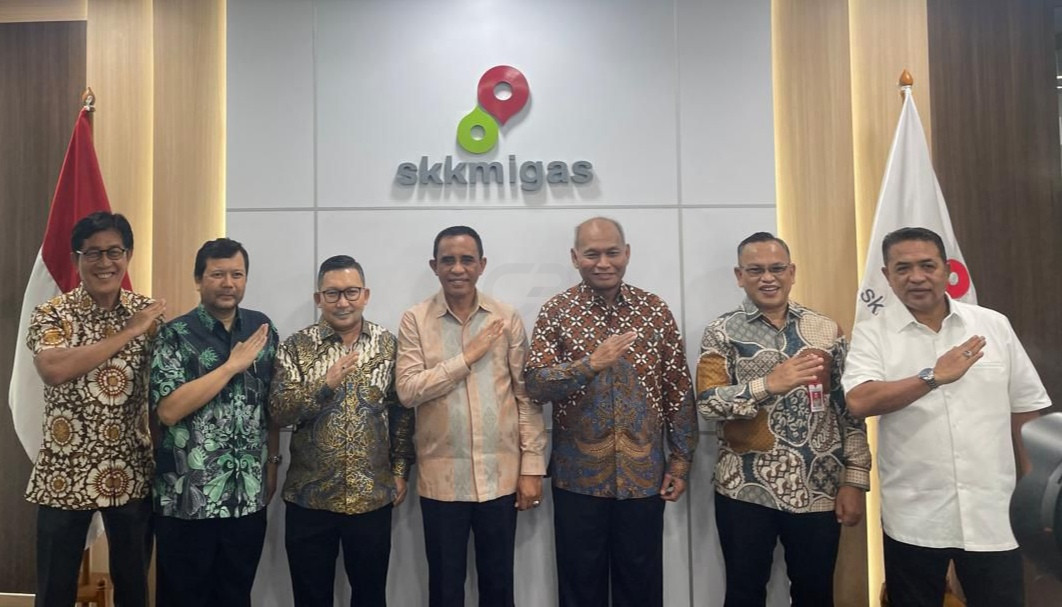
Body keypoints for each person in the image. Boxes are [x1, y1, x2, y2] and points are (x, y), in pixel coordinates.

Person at [843, 227, 1050, 607]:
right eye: (903, 268)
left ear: (947, 270)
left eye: (927, 265)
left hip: (992, 512)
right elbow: (858, 401)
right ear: (887, 275)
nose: (916, 277)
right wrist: (932, 377)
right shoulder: (873, 333)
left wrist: (1035, 488)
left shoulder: (993, 325)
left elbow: (1025, 408)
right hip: (914, 515)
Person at [524, 216, 698, 607]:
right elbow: (535, 384)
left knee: (641, 586)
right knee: (579, 587)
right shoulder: (557, 311)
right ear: (575, 257)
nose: (603, 263)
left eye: (612, 252)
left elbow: (677, 389)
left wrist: (681, 460)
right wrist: (590, 365)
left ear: (627, 253)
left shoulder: (654, 310)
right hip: (577, 480)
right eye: (592, 254)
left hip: (644, 477)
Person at [696, 231, 870, 606]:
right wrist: (768, 385)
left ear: (792, 272)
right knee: (743, 594)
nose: (767, 278)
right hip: (744, 486)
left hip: (819, 486)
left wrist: (855, 479)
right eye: (755, 270)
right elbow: (708, 403)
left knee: (816, 594)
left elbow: (849, 410)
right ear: (739, 276)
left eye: (776, 268)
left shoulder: (826, 330)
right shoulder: (721, 331)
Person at [396, 226, 546, 607]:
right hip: (442, 482)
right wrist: (467, 358)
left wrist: (532, 467)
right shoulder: (415, 320)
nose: (458, 268)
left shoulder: (506, 318)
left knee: (499, 588)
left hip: (500, 478)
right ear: (434, 266)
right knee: (445, 591)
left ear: (482, 265)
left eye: (467, 260)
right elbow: (408, 390)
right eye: (448, 260)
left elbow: (525, 396)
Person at [24, 211, 164, 607]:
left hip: (130, 470)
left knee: (134, 587)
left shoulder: (149, 315)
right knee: (54, 590)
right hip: (64, 471)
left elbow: (161, 395)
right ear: (76, 260)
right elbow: (54, 369)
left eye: (114, 252)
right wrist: (128, 332)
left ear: (128, 255)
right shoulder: (53, 313)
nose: (105, 262)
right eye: (93, 253)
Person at [269, 255, 414, 607]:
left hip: (372, 496)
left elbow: (401, 413)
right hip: (309, 497)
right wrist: (324, 384)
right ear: (319, 299)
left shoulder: (388, 345)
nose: (343, 302)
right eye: (332, 294)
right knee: (310, 598)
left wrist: (400, 470)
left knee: (370, 596)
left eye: (351, 292)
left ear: (365, 295)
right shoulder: (296, 347)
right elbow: (278, 411)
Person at [149, 237, 280, 607]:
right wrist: (231, 367)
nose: (228, 283)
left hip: (246, 497)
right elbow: (168, 410)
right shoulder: (175, 334)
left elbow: (270, 406)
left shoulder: (261, 329)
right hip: (186, 498)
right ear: (198, 280)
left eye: (237, 274)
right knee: (183, 598)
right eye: (217, 274)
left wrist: (272, 463)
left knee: (236, 596)